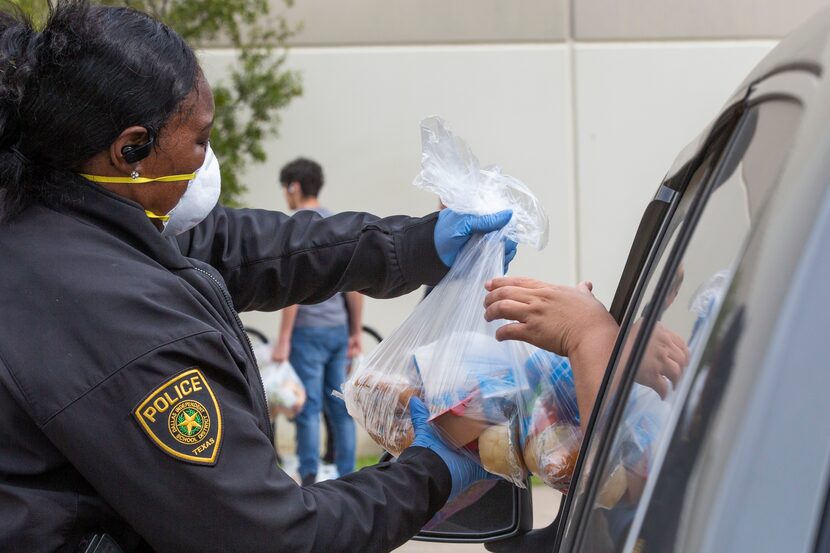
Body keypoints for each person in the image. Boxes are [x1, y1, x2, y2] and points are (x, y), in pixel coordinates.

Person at [0, 3, 515, 551]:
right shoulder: (125, 324)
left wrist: (416, 245)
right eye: (199, 140)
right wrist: (430, 470)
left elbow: (242, 247)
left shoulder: (50, 213)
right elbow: (270, 537)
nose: (205, 162)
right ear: (131, 148)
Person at [271, 157, 362, 484]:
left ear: (294, 187)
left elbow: (294, 290)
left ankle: (309, 477)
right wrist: (355, 332)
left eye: (285, 188)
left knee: (307, 407)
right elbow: (355, 288)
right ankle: (347, 476)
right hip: (338, 330)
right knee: (340, 407)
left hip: (307, 333)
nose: (286, 195)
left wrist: (283, 339)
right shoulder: (338, 224)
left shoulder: (298, 227)